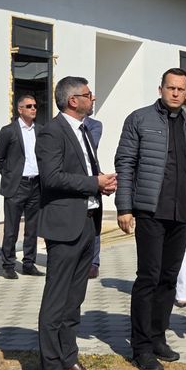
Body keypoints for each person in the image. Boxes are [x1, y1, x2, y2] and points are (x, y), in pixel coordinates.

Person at [114, 67, 186, 370]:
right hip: (150, 210)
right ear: (161, 89)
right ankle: (141, 347)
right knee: (149, 277)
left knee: (169, 278)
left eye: (181, 89)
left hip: (180, 213)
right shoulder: (139, 119)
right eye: (170, 88)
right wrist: (124, 207)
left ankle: (157, 337)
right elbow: (125, 163)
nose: (175, 93)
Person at [36, 77, 116, 370]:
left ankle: (69, 361)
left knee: (74, 300)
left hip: (87, 222)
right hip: (64, 225)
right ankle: (50, 369)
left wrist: (101, 183)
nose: (92, 98)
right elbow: (52, 177)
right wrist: (94, 183)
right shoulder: (52, 132)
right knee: (56, 300)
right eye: (87, 94)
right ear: (73, 100)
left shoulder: (84, 130)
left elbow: (81, 172)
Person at [0, 95, 43, 279]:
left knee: (32, 228)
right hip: (17, 185)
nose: (33, 108)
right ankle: (8, 264)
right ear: (20, 109)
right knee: (11, 228)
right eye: (29, 106)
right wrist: (10, 176)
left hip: (36, 184)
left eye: (35, 105)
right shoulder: (9, 131)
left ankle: (29, 263)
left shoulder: (40, 130)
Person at [83, 114, 103, 280]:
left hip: (93, 179)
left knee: (95, 225)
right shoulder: (55, 126)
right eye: (89, 100)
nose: (92, 101)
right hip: (71, 182)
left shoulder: (94, 125)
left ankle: (93, 263)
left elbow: (90, 144)